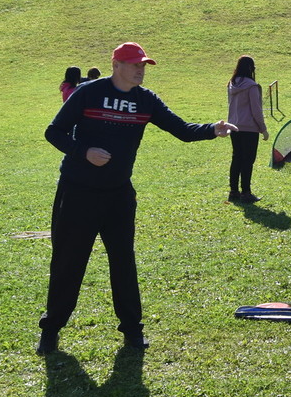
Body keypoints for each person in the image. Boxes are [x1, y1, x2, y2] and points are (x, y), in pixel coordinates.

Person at [37, 42, 236, 355]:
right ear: (116, 65)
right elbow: (54, 132)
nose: (140, 70)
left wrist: (212, 129)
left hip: (118, 194)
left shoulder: (146, 100)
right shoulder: (89, 93)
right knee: (68, 261)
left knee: (123, 262)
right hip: (78, 191)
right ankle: (51, 330)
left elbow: (181, 129)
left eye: (143, 65)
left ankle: (132, 330)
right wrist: (84, 152)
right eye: (134, 65)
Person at [226, 55, 269, 203]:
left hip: (234, 126)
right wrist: (263, 129)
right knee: (248, 160)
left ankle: (233, 191)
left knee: (236, 158)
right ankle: (246, 192)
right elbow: (256, 110)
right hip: (249, 128)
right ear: (251, 68)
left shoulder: (231, 84)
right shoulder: (251, 86)